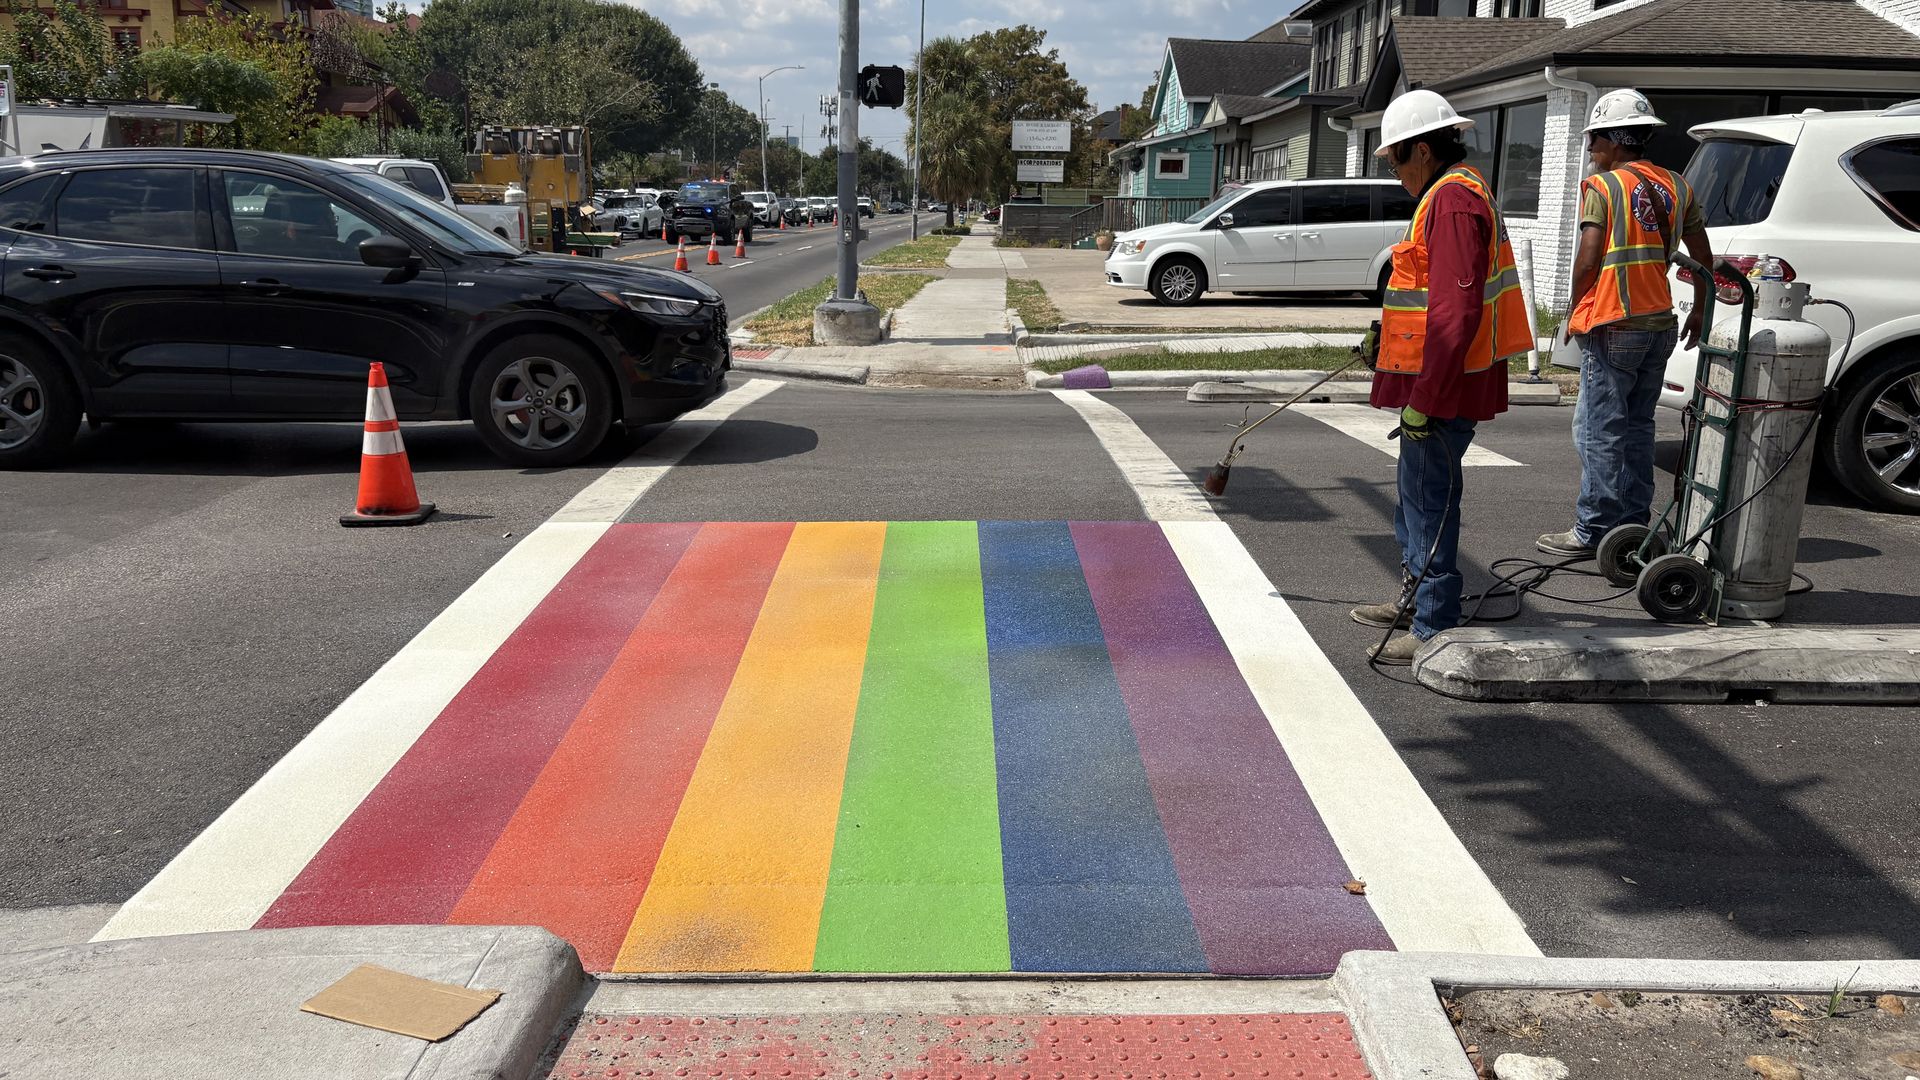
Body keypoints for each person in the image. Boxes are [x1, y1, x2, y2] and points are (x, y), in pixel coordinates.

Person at [1351, 89, 1532, 665]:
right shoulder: (1450, 195)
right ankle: (1415, 601)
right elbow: (1429, 298)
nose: (1396, 172)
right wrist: (1388, 339)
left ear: (1423, 151)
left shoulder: (1452, 202)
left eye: (1396, 160)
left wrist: (1425, 399)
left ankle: (1433, 624)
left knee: (1429, 503)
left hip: (1445, 387)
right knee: (1413, 498)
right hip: (1442, 379)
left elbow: (1455, 312)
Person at [1538, 89, 1712, 559]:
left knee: (1598, 430)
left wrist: (1574, 309)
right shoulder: (1678, 185)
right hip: (1660, 326)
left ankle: (1593, 529)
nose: (1591, 149)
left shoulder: (1604, 187)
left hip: (1615, 322)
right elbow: (1701, 254)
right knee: (1638, 428)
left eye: (1594, 139)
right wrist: (1699, 307)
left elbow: (1589, 255)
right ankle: (1634, 525)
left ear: (1615, 141)